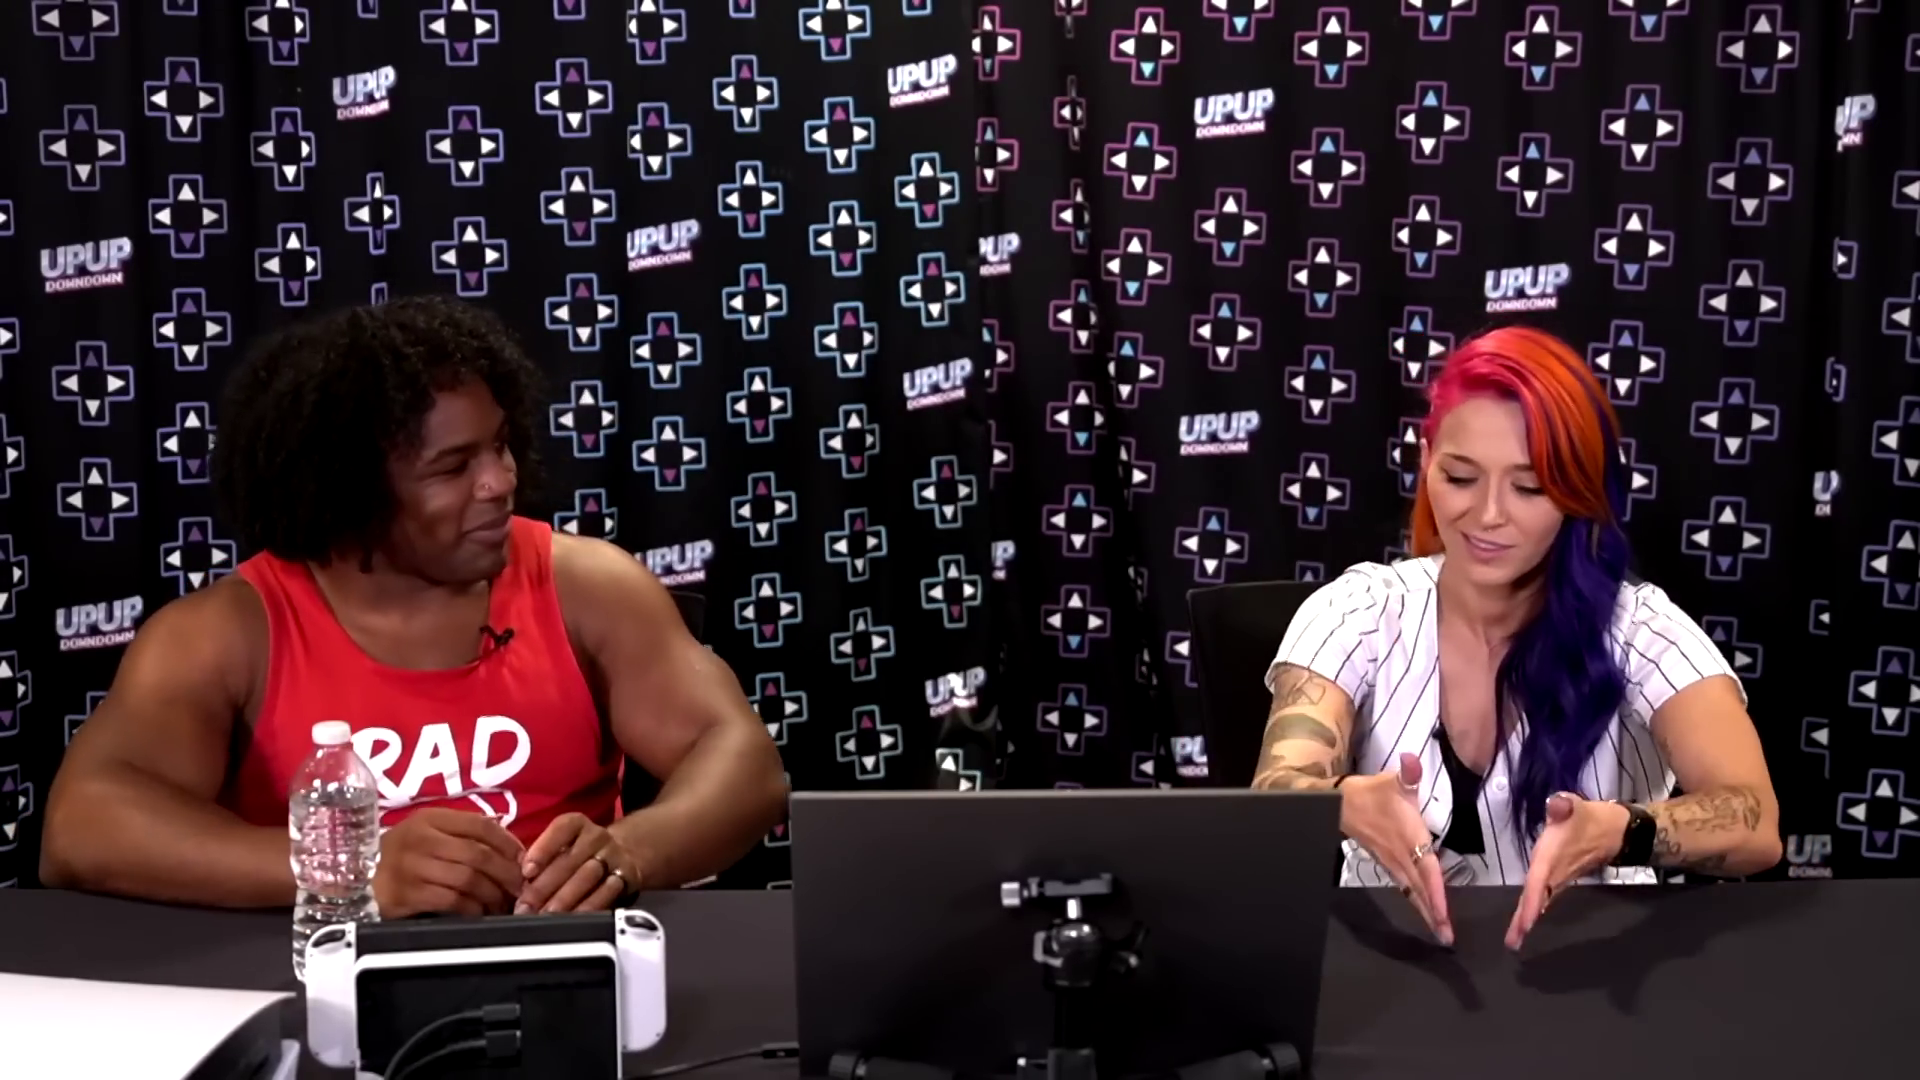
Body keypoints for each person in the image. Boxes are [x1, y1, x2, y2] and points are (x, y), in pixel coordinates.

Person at [40, 296, 789, 918]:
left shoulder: (586, 586)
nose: (500, 481)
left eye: (500, 446)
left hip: (559, 973)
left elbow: (744, 762)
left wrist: (630, 851)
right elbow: (82, 828)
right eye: (454, 467)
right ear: (352, 491)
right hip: (325, 991)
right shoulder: (226, 634)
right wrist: (350, 869)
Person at [1252, 325, 1781, 951]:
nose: (1488, 515)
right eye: (1460, 477)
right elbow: (1277, 792)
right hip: (1384, 971)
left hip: (1590, 967)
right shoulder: (1359, 611)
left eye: (1529, 487)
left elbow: (1755, 822)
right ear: (1426, 461)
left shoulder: (1641, 630)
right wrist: (1342, 801)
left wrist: (1621, 831)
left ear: (1577, 492)